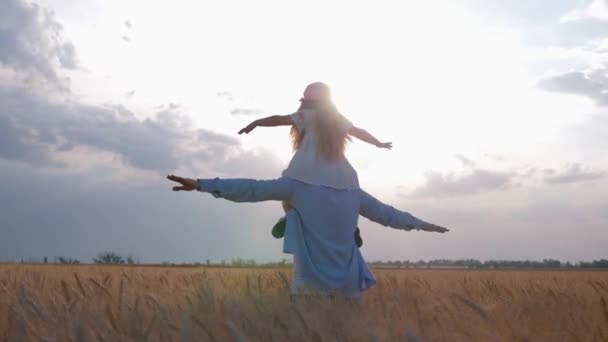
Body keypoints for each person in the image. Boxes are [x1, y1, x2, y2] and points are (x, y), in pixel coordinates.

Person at [167, 175, 449, 297]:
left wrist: (202, 185)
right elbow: (388, 214)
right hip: (347, 284)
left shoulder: (297, 189)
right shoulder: (350, 192)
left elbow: (251, 189)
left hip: (312, 286)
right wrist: (422, 224)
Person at [238, 82, 392, 246]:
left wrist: (256, 123)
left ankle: (290, 217)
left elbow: (278, 119)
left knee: (288, 193)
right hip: (339, 173)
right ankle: (352, 228)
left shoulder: (305, 116)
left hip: (309, 172)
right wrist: (378, 143)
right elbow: (358, 131)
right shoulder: (337, 119)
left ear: (306, 100)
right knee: (349, 199)